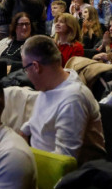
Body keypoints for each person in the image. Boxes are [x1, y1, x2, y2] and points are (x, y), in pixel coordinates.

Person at [20, 35, 106, 163]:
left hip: (70, 174)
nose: (27, 75)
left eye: (26, 69)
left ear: (36, 67)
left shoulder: (73, 99)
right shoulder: (49, 86)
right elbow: (33, 124)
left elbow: (64, 161)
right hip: (42, 163)